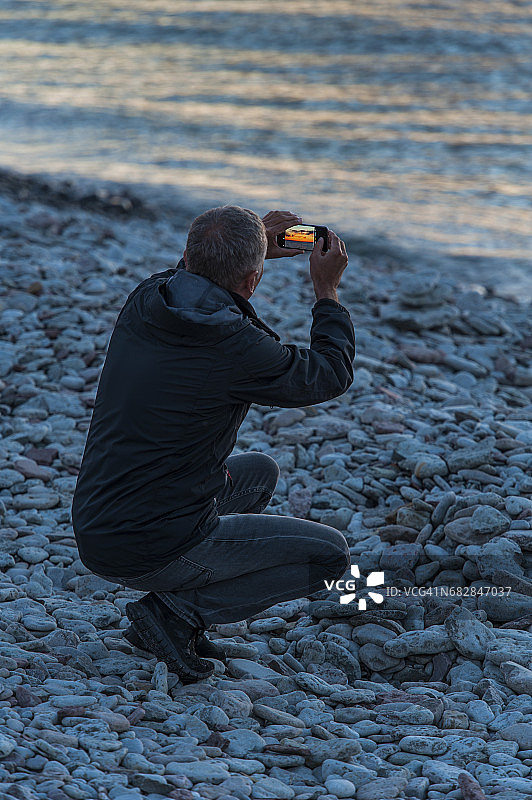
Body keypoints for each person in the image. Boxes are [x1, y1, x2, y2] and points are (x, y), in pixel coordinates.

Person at [71, 206, 355, 683]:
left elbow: (194, 273)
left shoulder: (146, 298)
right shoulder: (234, 343)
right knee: (329, 557)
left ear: (186, 255)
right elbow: (328, 375)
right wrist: (327, 292)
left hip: (99, 518)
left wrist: (255, 245)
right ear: (251, 280)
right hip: (147, 544)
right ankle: (175, 614)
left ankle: (178, 595)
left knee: (258, 472)